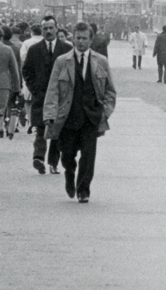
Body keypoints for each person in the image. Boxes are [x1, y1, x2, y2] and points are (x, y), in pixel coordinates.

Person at [43, 21, 116, 203]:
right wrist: (50, 115)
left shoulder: (101, 62)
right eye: (77, 38)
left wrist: (105, 112)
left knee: (89, 156)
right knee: (67, 154)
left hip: (92, 118)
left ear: (91, 40)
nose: (81, 42)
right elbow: (53, 90)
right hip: (68, 117)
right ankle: (69, 172)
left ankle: (83, 189)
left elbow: (110, 90)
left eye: (84, 38)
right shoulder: (62, 62)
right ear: (73, 39)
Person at [22, 15, 71, 174]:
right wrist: (35, 88)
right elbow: (27, 71)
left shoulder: (66, 48)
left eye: (51, 27)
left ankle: (53, 163)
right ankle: (38, 158)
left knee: (57, 131)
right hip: (41, 96)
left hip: (61, 98)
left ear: (57, 29)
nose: (48, 31)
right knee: (40, 129)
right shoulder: (34, 50)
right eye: (45, 28)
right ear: (41, 30)